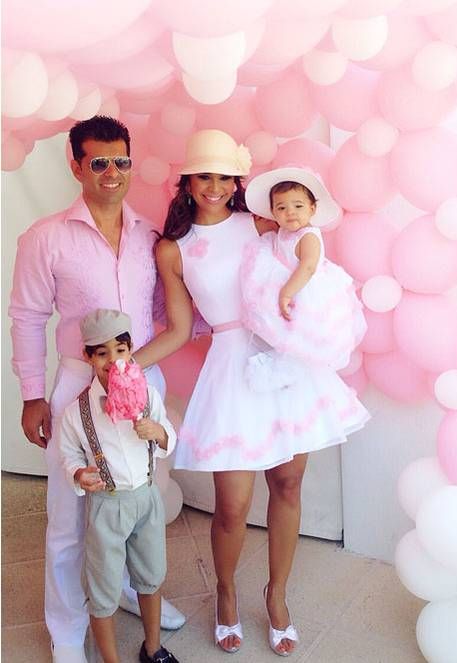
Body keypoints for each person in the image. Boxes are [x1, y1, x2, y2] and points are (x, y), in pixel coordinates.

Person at [134, 129, 370, 657]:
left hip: (281, 360)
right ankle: (225, 593)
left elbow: (308, 256)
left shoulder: (260, 223)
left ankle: (276, 595)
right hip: (230, 369)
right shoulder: (173, 249)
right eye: (204, 176)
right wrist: (126, 365)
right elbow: (178, 329)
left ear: (236, 182)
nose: (214, 186)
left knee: (287, 483)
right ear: (187, 182)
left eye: (224, 177)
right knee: (232, 505)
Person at [9, 115, 185, 663]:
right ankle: (66, 628)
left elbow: (161, 314)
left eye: (121, 161)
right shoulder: (45, 238)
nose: (112, 172)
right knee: (70, 514)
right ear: (77, 165)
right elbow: (26, 316)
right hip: (76, 385)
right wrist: (33, 394)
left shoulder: (149, 236)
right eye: (99, 162)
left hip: (142, 381)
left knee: (139, 499)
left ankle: (129, 588)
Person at [58, 309, 180, 663]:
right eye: (102, 353)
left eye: (120, 350)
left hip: (146, 497)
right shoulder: (78, 412)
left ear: (130, 350)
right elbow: (68, 455)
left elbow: (169, 436)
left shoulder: (148, 394)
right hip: (107, 506)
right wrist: (79, 474)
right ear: (88, 357)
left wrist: (158, 433)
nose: (113, 361)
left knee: (151, 576)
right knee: (103, 587)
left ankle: (153, 647)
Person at [240, 166, 367, 389]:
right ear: (273, 213)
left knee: (301, 339)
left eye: (298, 206)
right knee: (283, 337)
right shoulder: (282, 233)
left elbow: (308, 266)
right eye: (281, 208)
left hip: (306, 293)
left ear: (312, 208)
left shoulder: (309, 236)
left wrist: (287, 292)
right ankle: (286, 369)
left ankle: (292, 373)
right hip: (289, 289)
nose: (290, 212)